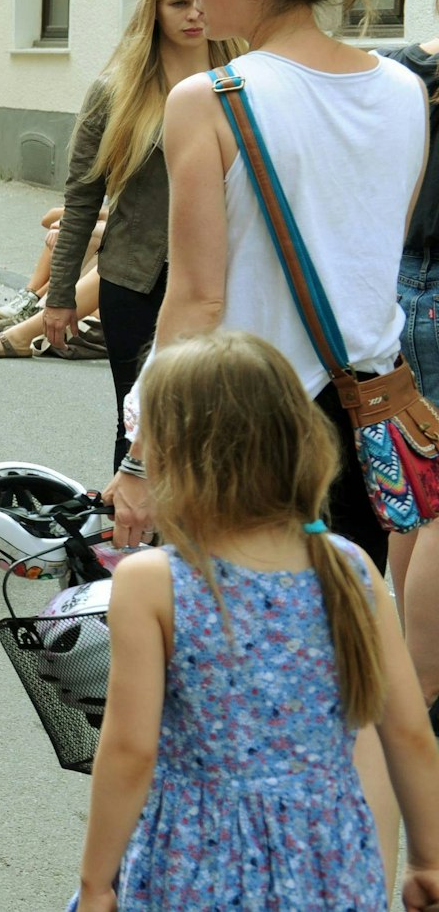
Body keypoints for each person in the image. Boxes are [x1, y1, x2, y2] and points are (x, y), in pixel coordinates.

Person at [104, 0, 426, 572]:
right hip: (366, 419)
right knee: (338, 646)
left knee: (247, 658)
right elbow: (378, 254)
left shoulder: (212, 99)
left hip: (247, 422)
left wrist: (140, 460)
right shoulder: (405, 90)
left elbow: (195, 298)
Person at [74, 331, 439, 912]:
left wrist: (96, 882)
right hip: (330, 858)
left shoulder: (153, 582)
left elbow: (130, 750)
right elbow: (408, 732)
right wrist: (426, 859)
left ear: (172, 456)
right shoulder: (348, 566)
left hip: (196, 860)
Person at [32, 0, 245, 461]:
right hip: (136, 281)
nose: (194, 14)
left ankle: (198, 538)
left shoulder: (244, 79)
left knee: (219, 428)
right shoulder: (118, 91)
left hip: (229, 277)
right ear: (153, 9)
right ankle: (131, 537)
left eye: (200, 1)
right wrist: (60, 294)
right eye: (178, 3)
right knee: (137, 423)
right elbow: (82, 199)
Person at [385, 0, 439, 728]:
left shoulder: (398, 74)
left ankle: (403, 657)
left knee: (414, 484)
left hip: (396, 281)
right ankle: (424, 684)